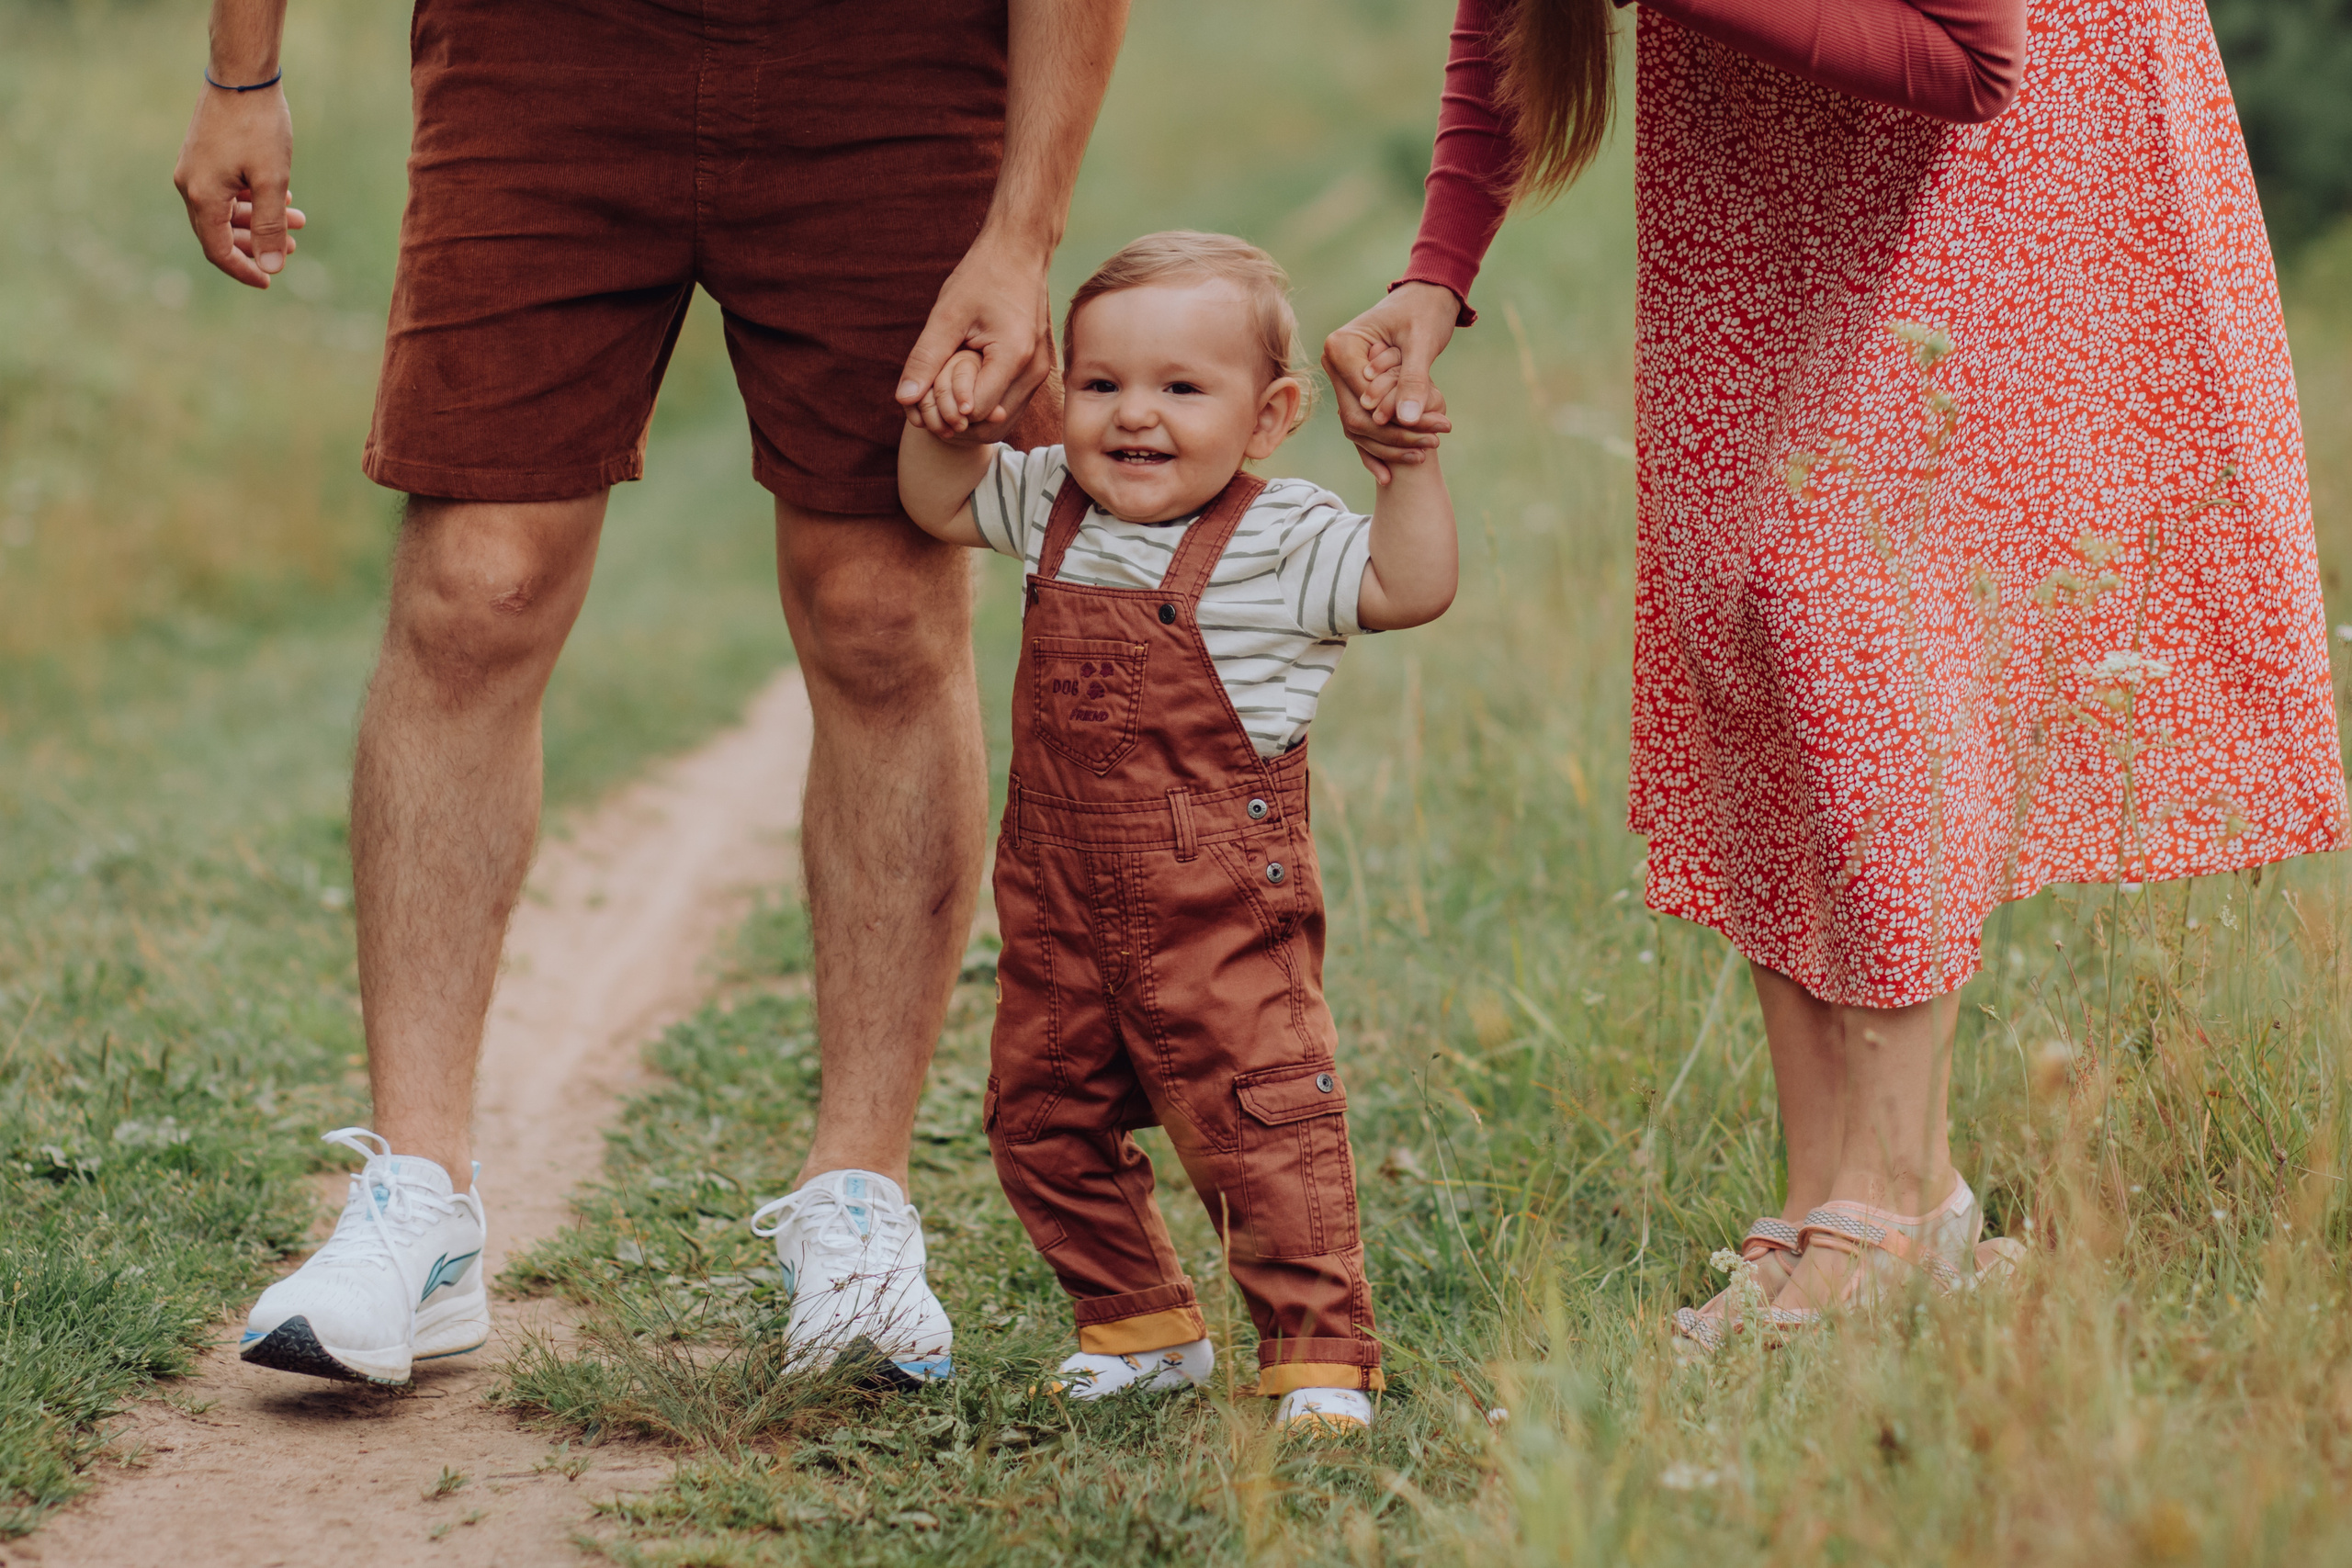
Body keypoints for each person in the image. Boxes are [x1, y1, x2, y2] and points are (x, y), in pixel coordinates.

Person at [1325, 0, 2346, 1346]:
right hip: (1768, 136)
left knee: (1849, 602)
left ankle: (1900, 1205)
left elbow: (1972, 60)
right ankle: (1831, 1200)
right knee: (1749, 605)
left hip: (2013, 134)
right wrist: (1435, 269)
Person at [172, 0, 1128, 1387]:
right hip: (544, 47)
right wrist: (240, 70)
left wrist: (1024, 231)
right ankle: (419, 1199)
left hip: (896, 60)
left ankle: (859, 1205)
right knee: (473, 585)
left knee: (880, 601)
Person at [897, 231, 1458, 1428]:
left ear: (1271, 415)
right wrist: (951, 414)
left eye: (1180, 389)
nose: (1132, 418)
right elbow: (935, 498)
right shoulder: (1051, 500)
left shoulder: (1280, 538)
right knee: (1040, 1120)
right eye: (1101, 386)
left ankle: (1315, 1354)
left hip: (1218, 916)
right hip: (1057, 908)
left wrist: (1406, 476)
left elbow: (1408, 591)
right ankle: (1139, 1325)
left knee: (1257, 1126)